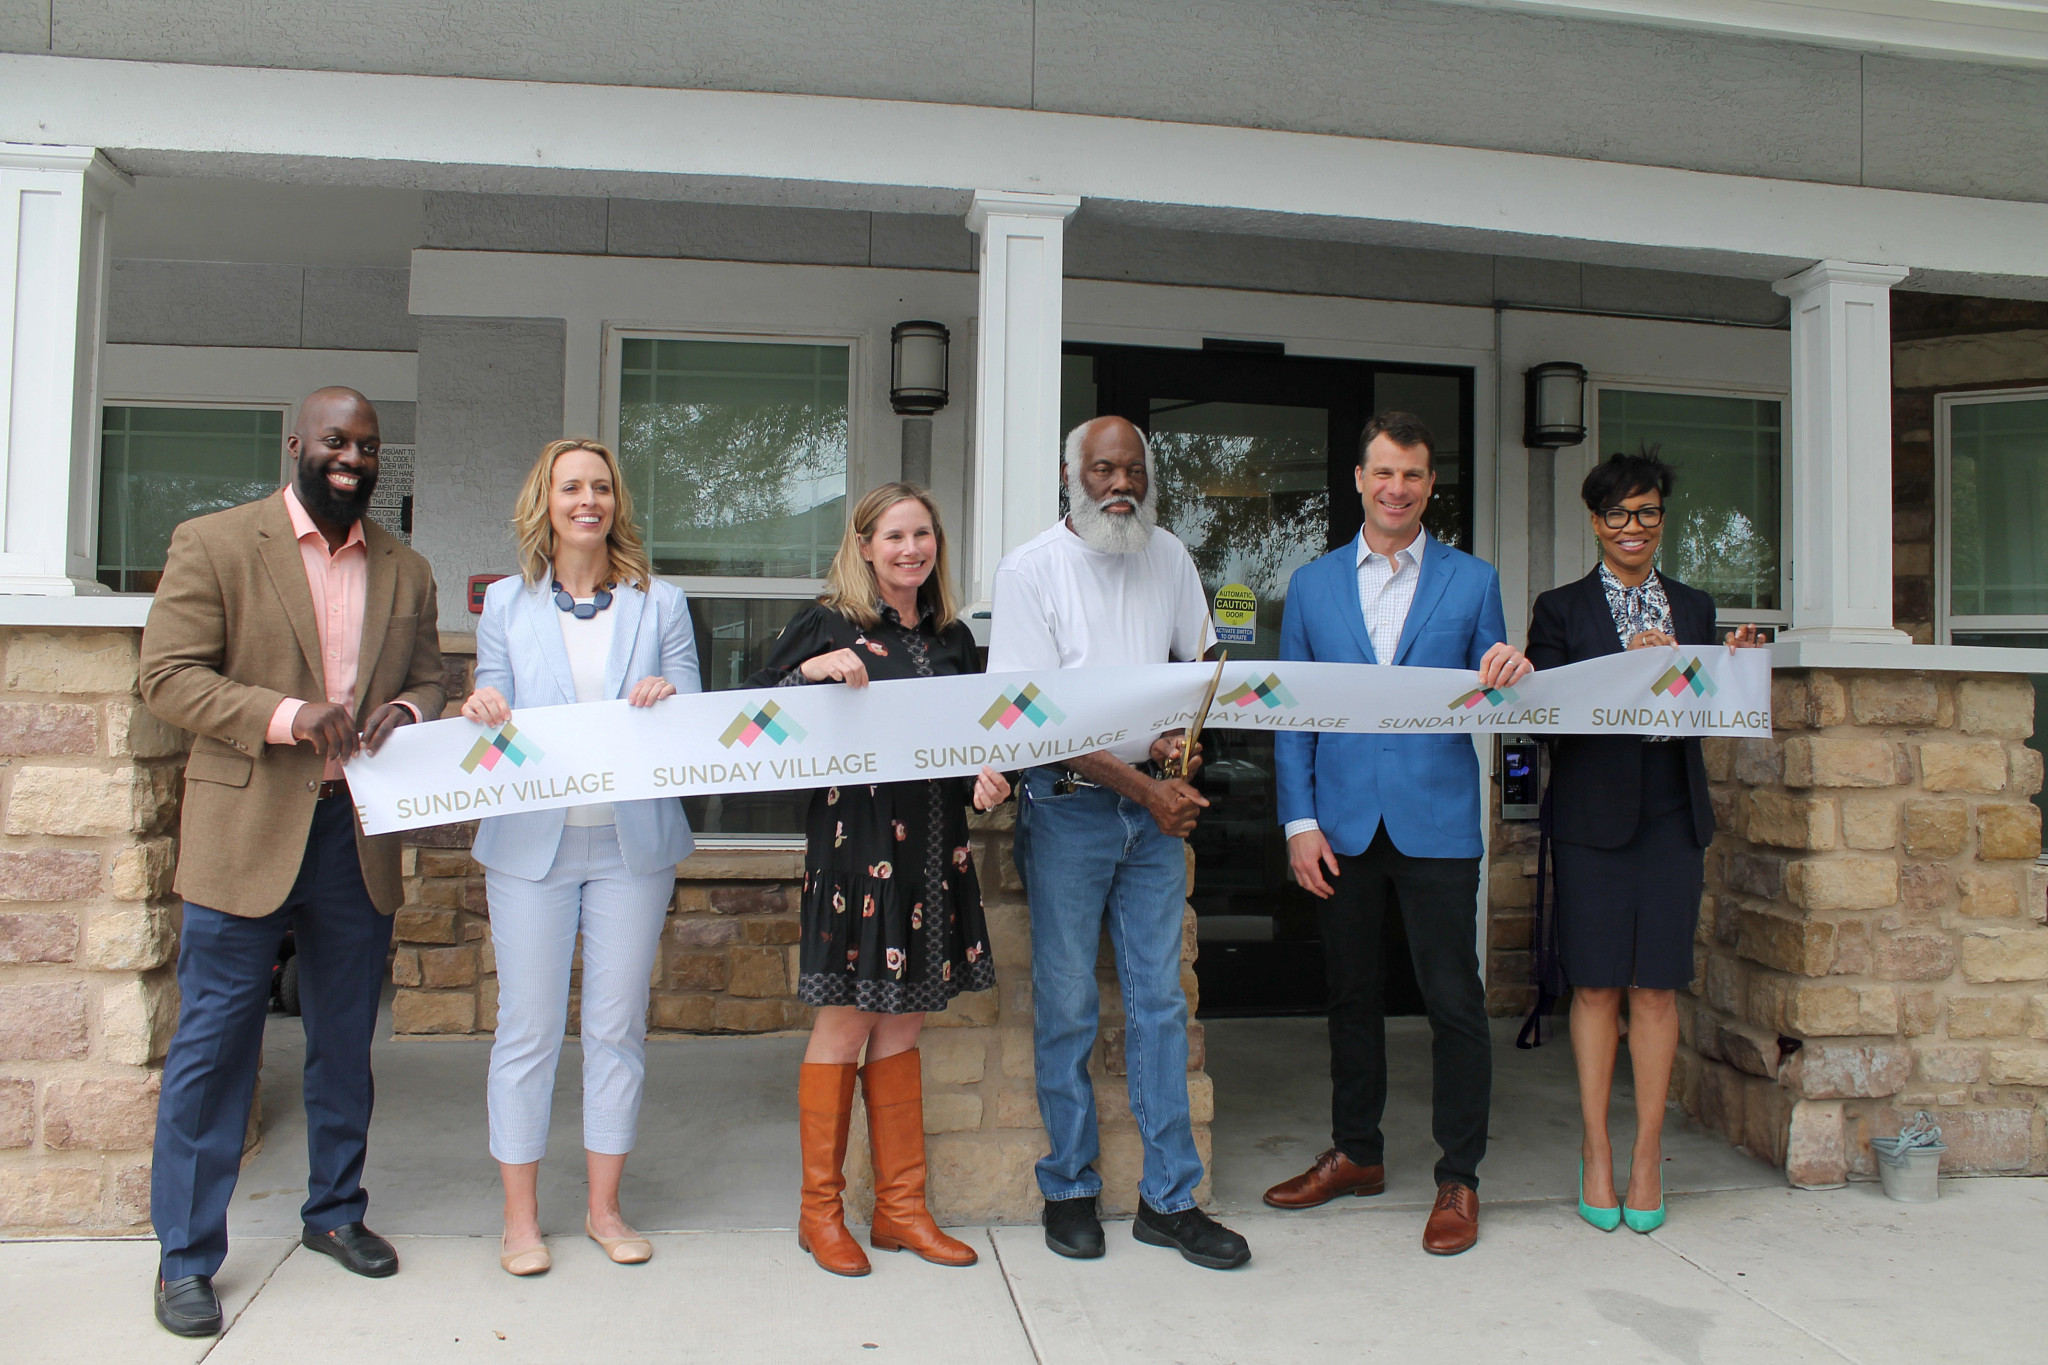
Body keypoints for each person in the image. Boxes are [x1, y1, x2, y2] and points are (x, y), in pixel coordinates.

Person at [140, 387, 445, 1337]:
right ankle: (187, 1257)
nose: (352, 456)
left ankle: (335, 1213)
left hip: (353, 834)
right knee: (215, 1046)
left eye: (367, 444)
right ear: (298, 443)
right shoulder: (218, 541)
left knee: (344, 1040)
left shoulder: (407, 565)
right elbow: (168, 675)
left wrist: (410, 711)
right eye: (335, 440)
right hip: (246, 833)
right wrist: (289, 715)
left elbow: (431, 674)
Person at [1264, 411, 1531, 1257]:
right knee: (1351, 996)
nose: (1398, 488)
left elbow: (1497, 688)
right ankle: (1357, 1152)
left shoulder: (1473, 578)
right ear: (1358, 479)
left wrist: (1509, 668)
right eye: (1384, 472)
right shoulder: (1311, 586)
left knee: (1453, 1000)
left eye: (1413, 475)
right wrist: (1298, 821)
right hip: (1340, 822)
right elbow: (1292, 710)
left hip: (1437, 822)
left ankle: (1460, 1173)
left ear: (1429, 485)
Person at [990, 415, 1250, 1272]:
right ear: (1071, 476)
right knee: (1066, 1002)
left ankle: (1170, 1199)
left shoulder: (1168, 555)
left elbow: (1201, 669)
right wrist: (1145, 785)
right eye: (1102, 470)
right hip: (1066, 808)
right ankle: (1068, 1185)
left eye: (1132, 469)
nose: (1119, 485)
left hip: (1151, 816)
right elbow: (1034, 722)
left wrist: (1183, 741)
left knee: (1160, 1002)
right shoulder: (1032, 570)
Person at [748, 483, 1009, 1277]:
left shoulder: (954, 638)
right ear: (864, 545)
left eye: (922, 534)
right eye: (894, 535)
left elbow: (964, 743)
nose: (911, 549)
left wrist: (986, 780)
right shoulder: (828, 623)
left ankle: (900, 1209)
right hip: (856, 854)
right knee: (846, 1026)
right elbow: (751, 722)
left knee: (904, 1026)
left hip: (932, 852)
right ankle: (818, 1213)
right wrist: (811, 675)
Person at [459, 438, 701, 1275]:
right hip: (533, 841)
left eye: (600, 486)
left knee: (616, 1027)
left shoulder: (660, 602)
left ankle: (604, 1208)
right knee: (526, 1030)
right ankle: (520, 1220)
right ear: (548, 502)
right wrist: (484, 703)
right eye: (571, 487)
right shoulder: (504, 604)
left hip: (632, 844)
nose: (587, 500)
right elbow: (491, 695)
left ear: (615, 503)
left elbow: (695, 711)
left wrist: (670, 699)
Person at [1526, 448, 1763, 1234]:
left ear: (1663, 519)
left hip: (1671, 812)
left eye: (1649, 512)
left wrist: (1738, 665)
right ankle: (1596, 1148)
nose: (1635, 527)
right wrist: (1623, 665)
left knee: (1657, 986)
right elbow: (1544, 709)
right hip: (1593, 816)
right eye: (1619, 513)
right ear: (1596, 522)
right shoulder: (1560, 609)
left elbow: (1712, 705)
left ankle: (1645, 1153)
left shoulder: (1695, 607)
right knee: (1594, 984)